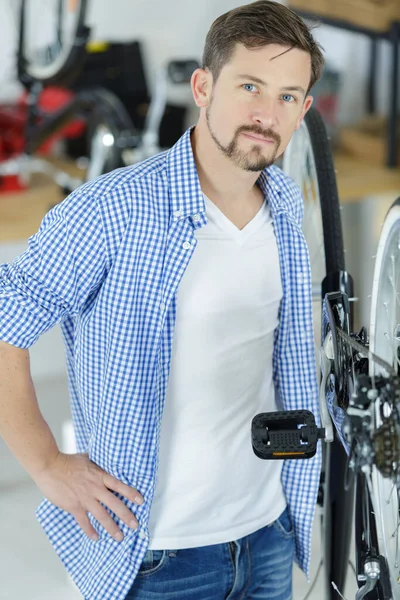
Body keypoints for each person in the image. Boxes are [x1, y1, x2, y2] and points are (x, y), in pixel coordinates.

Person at [0, 1, 325, 599]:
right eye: (249, 85)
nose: (265, 113)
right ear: (203, 86)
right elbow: (6, 321)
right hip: (156, 555)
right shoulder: (112, 211)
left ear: (304, 110)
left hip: (269, 535)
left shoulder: (283, 208)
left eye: (286, 96)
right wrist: (47, 465)